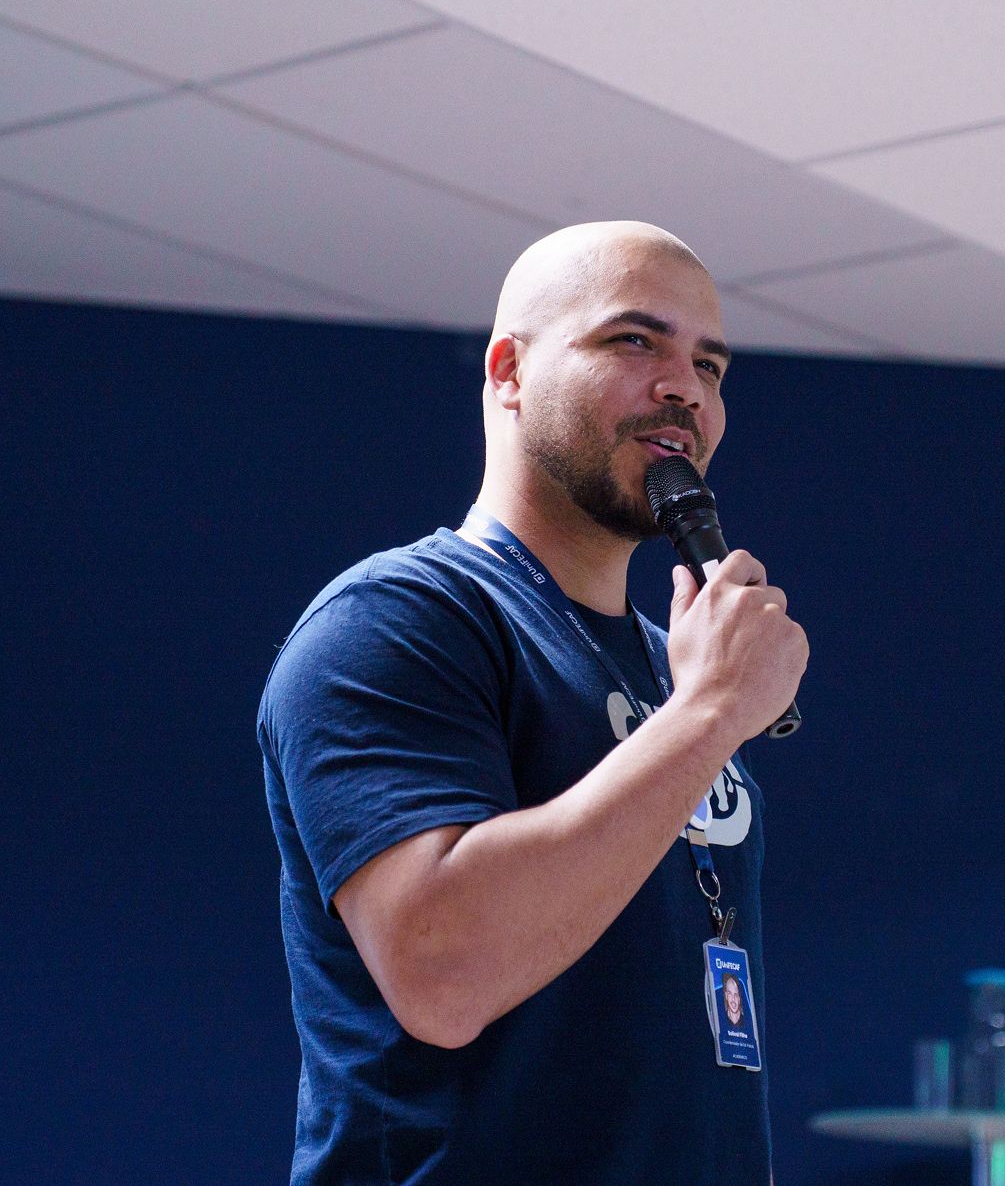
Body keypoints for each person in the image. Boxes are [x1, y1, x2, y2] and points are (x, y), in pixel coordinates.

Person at [257, 221, 808, 1185]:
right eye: (634, 340)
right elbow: (440, 968)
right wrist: (710, 711)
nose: (685, 384)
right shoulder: (393, 621)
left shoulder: (669, 665)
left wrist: (695, 701)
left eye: (710, 364)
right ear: (508, 370)